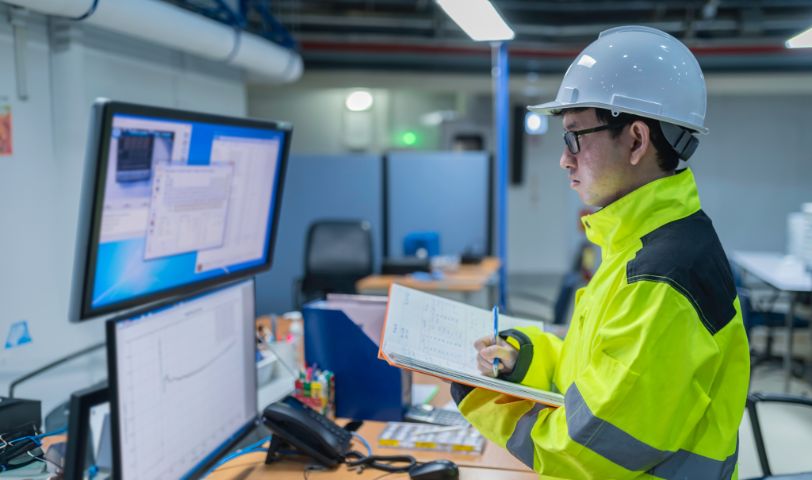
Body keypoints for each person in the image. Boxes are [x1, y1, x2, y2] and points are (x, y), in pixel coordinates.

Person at [452, 26, 750, 479]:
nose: (564, 158)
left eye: (575, 136)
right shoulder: (639, 244)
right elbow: (591, 374)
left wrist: (482, 400)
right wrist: (525, 359)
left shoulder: (663, 278)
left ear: (635, 140)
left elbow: (589, 449)